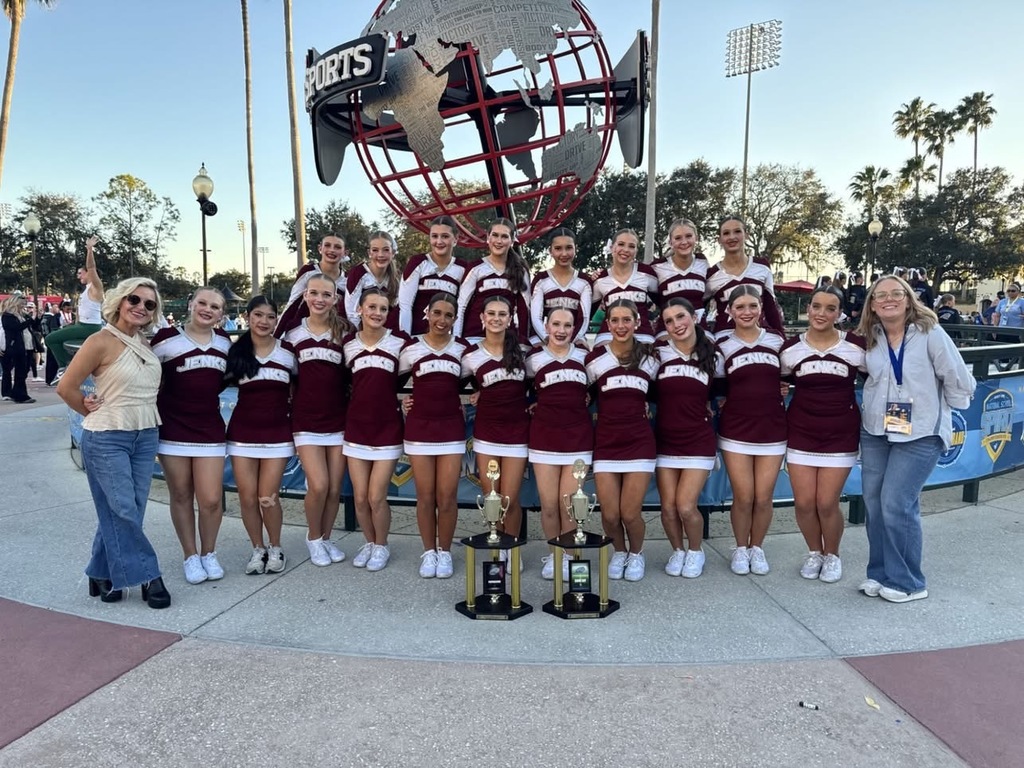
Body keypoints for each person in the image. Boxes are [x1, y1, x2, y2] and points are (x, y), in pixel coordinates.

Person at [856, 274, 976, 603]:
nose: (888, 299)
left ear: (909, 299)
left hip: (921, 431)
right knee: (875, 503)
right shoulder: (871, 337)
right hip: (877, 430)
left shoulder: (930, 333)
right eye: (880, 296)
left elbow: (957, 377)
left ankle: (908, 581)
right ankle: (879, 574)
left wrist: (942, 411)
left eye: (896, 293)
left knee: (897, 502)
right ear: (872, 305)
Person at [56, 278, 171, 609]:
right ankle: (149, 577)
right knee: (123, 509)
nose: (141, 307)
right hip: (107, 436)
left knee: (127, 510)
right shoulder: (100, 341)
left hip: (146, 434)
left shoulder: (147, 346)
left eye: (149, 304)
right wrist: (86, 408)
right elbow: (67, 387)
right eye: (135, 299)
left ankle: (99, 570)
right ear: (120, 301)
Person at [780, 287, 865, 584]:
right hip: (801, 431)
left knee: (827, 502)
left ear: (839, 313)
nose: (821, 313)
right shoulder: (790, 349)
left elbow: (881, 377)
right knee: (804, 503)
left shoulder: (856, 346)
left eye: (830, 308)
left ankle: (833, 554)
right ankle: (814, 551)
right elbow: (776, 381)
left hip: (840, 434)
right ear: (808, 309)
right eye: (816, 306)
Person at [151, 287, 231, 585]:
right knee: (181, 494)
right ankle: (190, 555)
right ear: (190, 304)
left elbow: (222, 382)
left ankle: (209, 552)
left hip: (209, 428)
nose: (207, 309)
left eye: (215, 306)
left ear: (222, 314)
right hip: (173, 428)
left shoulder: (224, 342)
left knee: (211, 499)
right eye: (202, 303)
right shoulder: (165, 338)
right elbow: (149, 377)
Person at [715, 285, 787, 576]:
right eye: (740, 307)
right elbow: (717, 387)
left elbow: (789, 376)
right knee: (743, 496)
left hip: (772, 427)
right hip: (736, 429)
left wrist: (784, 386)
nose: (746, 312)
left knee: (763, 496)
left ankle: (757, 547)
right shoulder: (722, 343)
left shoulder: (777, 341)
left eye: (752, 306)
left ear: (761, 308)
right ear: (729, 311)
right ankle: (740, 547)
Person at [586, 299, 658, 581]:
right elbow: (581, 393)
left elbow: (664, 395)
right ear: (608, 323)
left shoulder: (650, 360)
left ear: (636, 322)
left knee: (630, 513)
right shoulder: (595, 360)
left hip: (639, 443)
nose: (620, 326)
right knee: (610, 514)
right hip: (606, 443)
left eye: (626, 320)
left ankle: (636, 554)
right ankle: (619, 551)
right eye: (614, 320)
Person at [284, 273, 352, 568]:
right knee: (320, 485)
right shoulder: (292, 335)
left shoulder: (345, 333)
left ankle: (325, 538)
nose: (320, 299)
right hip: (306, 420)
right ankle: (313, 538)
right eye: (314, 293)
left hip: (338, 419)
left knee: (335, 488)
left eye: (326, 294)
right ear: (305, 296)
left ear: (335, 299)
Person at [398, 292, 468, 578]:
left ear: (455, 319)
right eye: (437, 313)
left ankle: (446, 552)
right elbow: (395, 382)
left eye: (448, 315)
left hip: (451, 427)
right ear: (427, 313)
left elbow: (473, 382)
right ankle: (429, 552)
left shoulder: (462, 349)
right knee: (425, 496)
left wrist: (472, 397)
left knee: (447, 496)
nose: (442, 320)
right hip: (419, 428)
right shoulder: (411, 348)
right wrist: (402, 400)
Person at [342, 287, 412, 572]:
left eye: (383, 309)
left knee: (376, 496)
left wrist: (410, 399)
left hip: (387, 427)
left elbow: (419, 373)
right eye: (372, 307)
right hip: (356, 427)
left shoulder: (399, 344)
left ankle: (382, 545)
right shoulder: (347, 344)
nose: (377, 313)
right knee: (359, 497)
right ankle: (369, 542)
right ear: (360, 309)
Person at [226, 296, 297, 575]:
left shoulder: (287, 352)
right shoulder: (236, 352)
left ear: (276, 320)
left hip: (278, 434)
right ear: (248, 316)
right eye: (258, 315)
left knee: (268, 496)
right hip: (243, 433)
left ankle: (276, 547)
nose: (264, 321)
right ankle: (258, 549)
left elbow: (299, 389)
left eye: (270, 316)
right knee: (247, 497)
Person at [461, 295, 531, 564]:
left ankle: (511, 550)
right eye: (491, 313)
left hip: (516, 433)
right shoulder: (471, 355)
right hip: (487, 434)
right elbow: (450, 385)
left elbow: (539, 382)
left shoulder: (524, 350)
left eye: (502, 314)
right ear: (482, 318)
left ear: (510, 318)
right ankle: (496, 545)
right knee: (492, 498)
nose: (496, 318)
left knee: (510, 499)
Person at [526, 307, 593, 580]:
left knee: (570, 503)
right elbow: (519, 389)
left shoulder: (586, 358)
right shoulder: (533, 360)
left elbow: (599, 389)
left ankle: (569, 555)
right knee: (549, 504)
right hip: (544, 438)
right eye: (556, 324)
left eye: (567, 325)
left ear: (574, 328)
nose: (561, 330)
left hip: (578, 438)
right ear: (546, 325)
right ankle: (554, 553)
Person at [654, 299, 716, 578]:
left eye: (681, 317)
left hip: (698, 440)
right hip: (665, 440)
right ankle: (677, 550)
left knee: (686, 506)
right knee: (667, 508)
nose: (676, 324)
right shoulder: (657, 355)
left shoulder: (712, 355)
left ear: (693, 317)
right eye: (669, 321)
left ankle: (695, 551)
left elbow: (725, 392)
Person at [454, 218, 532, 344]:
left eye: (504, 236)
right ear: (488, 238)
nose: (499, 241)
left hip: (507, 340)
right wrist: (457, 340)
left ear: (512, 241)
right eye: (495, 235)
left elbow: (525, 310)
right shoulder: (476, 268)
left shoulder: (520, 270)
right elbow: (461, 305)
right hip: (475, 336)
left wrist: (523, 342)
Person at [705, 216, 785, 335]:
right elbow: (697, 309)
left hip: (758, 340)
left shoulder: (762, 266)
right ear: (719, 239)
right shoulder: (712, 274)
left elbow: (771, 308)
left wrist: (780, 336)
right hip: (725, 341)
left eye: (737, 231)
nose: (732, 237)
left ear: (746, 235)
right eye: (726, 233)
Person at [398, 215, 468, 336]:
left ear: (455, 239)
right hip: (417, 337)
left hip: (446, 340)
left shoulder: (463, 268)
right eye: (434, 236)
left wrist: (456, 341)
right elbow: (405, 305)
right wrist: (406, 339)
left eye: (445, 236)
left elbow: (461, 309)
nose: (439, 241)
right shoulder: (418, 262)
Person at [45, 235, 105, 375]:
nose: (78, 276)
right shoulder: (86, 290)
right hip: (82, 325)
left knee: (49, 339)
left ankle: (66, 367)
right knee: (58, 336)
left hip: (89, 327)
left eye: (80, 273)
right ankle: (75, 363)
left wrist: (89, 249)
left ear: (89, 273)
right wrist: (72, 324)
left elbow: (91, 266)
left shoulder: (96, 287)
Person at [590, 229, 658, 345]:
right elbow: (587, 313)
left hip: (642, 334)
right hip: (609, 335)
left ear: (636, 250)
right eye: (621, 244)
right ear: (612, 247)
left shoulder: (647, 273)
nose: (626, 250)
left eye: (631, 246)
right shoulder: (600, 278)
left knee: (649, 360)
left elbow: (662, 303)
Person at [529, 228, 592, 347]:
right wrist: (547, 338)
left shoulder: (584, 282)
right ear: (550, 251)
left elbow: (584, 318)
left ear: (575, 249)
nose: (564, 254)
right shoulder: (541, 280)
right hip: (544, 338)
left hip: (573, 337)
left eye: (568, 248)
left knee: (583, 350)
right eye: (558, 248)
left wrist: (570, 341)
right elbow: (536, 317)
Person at [276, 233, 348, 337]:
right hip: (305, 333)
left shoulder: (348, 279)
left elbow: (352, 312)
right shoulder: (308, 272)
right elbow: (292, 304)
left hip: (336, 334)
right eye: (327, 245)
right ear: (320, 248)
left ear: (345, 252)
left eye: (337, 247)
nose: (332, 250)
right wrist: (277, 337)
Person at [651, 218, 708, 333]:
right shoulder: (658, 267)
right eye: (678, 238)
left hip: (700, 329)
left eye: (688, 236)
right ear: (671, 242)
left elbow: (707, 296)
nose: (684, 242)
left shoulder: (703, 263)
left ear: (696, 238)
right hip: (668, 331)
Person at [345, 230, 402, 331]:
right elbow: (352, 312)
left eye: (385, 250)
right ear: (369, 253)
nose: (380, 255)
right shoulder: (358, 273)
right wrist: (362, 336)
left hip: (387, 333)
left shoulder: (395, 277)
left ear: (393, 253)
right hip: (362, 332)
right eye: (375, 250)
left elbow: (396, 311)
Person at [1, 294, 34, 403]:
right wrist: (28, 321)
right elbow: (14, 328)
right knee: (14, 370)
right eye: (22, 304)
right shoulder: (7, 316)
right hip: (13, 346)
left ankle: (17, 392)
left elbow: (31, 325)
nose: (24, 306)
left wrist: (33, 318)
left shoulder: (21, 315)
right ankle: (18, 394)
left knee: (23, 370)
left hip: (23, 345)